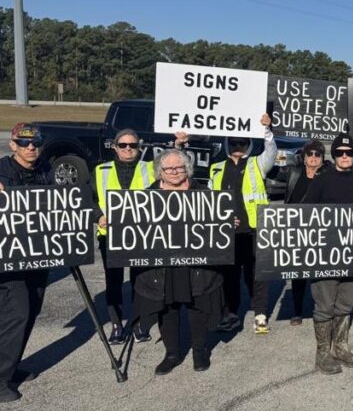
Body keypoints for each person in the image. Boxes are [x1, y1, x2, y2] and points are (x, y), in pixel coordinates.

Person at [126, 149, 225, 375]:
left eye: (179, 167)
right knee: (167, 309)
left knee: (197, 307)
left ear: (187, 169)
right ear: (160, 171)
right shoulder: (146, 196)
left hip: (196, 265)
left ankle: (200, 350)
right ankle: (172, 354)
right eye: (168, 168)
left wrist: (228, 220)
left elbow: (218, 222)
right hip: (162, 267)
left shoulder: (203, 192)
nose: (174, 172)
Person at [94, 129, 187, 344]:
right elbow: (88, 199)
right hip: (111, 236)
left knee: (142, 282)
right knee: (114, 282)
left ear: (140, 148)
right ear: (115, 147)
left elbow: (173, 167)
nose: (128, 149)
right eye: (123, 145)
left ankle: (139, 322)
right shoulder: (100, 170)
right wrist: (98, 216)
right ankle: (117, 325)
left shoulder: (150, 168)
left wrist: (179, 145)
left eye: (133, 145)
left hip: (142, 235)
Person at [300, 133, 353, 374]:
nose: (344, 157)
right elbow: (305, 214)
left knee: (345, 302)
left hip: (352, 254)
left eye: (349, 153)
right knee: (324, 304)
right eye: (340, 153)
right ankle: (322, 354)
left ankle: (341, 347)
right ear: (334, 155)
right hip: (324, 254)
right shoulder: (322, 180)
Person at [208, 114, 277, 334]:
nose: (238, 146)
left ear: (249, 145)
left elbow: (271, 152)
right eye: (234, 142)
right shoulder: (216, 167)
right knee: (229, 275)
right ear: (228, 144)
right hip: (227, 231)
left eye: (243, 143)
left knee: (256, 274)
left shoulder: (257, 163)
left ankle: (260, 314)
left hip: (255, 229)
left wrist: (266, 130)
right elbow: (211, 198)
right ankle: (230, 314)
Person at [0, 124, 52, 402]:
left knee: (31, 311)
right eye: (24, 143)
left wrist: (96, 216)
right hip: (8, 259)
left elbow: (68, 200)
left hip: (39, 255)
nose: (31, 147)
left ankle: (11, 365)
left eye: (36, 143)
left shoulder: (47, 170)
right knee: (16, 313)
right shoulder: (1, 171)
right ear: (13, 145)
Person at [273, 139, 327, 326]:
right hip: (296, 229)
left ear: (322, 158)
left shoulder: (328, 175)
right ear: (303, 157)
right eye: (310, 154)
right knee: (299, 272)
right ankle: (297, 310)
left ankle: (322, 308)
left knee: (321, 272)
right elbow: (269, 169)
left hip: (320, 229)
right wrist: (268, 139)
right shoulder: (293, 172)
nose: (313, 158)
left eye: (317, 155)